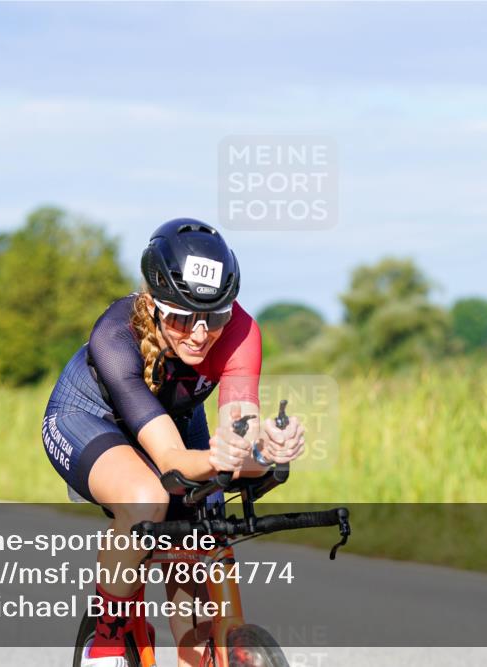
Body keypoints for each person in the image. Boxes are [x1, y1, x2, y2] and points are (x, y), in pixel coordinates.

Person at [41, 218, 306, 666]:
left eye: (215, 316)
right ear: (152, 303)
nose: (201, 334)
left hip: (178, 422)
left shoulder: (242, 334)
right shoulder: (116, 335)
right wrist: (224, 457)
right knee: (146, 498)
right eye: (182, 318)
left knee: (203, 534)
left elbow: (238, 438)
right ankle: (107, 637)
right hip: (89, 418)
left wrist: (264, 451)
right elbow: (169, 461)